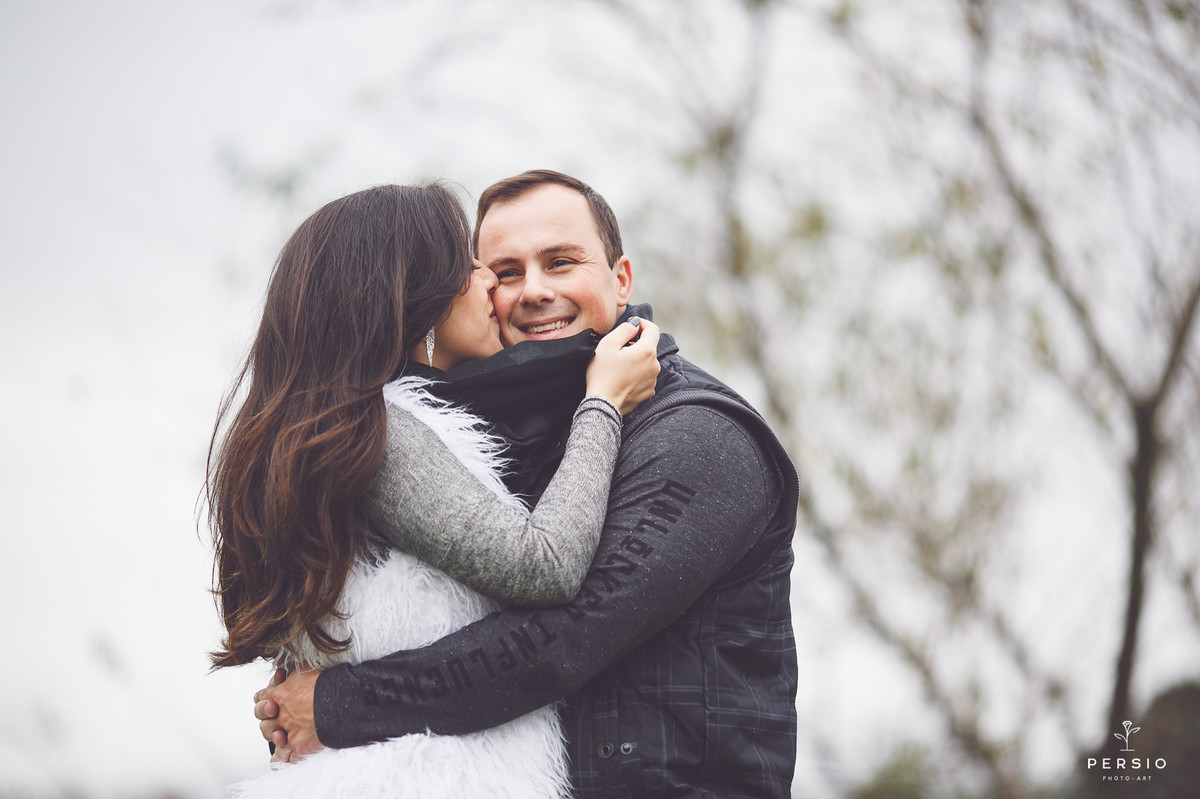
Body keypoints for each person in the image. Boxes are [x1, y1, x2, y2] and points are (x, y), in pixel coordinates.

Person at [258, 170, 801, 798]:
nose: (534, 291)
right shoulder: (464, 436)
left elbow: (563, 640)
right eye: (507, 272)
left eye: (561, 262)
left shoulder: (700, 436)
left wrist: (338, 706)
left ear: (620, 280)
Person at [206, 182, 661, 798]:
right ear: (416, 300)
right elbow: (544, 566)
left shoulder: (347, 434)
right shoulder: (385, 435)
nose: (494, 291)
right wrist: (604, 402)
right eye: (475, 270)